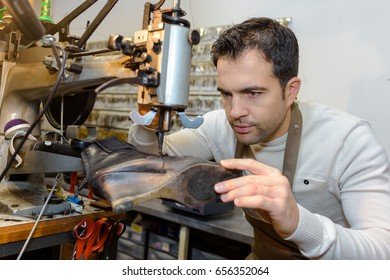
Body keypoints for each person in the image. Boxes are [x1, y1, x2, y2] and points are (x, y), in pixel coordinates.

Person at [128, 17, 390, 259]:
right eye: (227, 94)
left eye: (252, 93)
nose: (235, 112)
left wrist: (299, 223)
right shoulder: (219, 126)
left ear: (290, 91)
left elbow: (382, 250)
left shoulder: (348, 140)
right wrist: (146, 121)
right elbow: (148, 163)